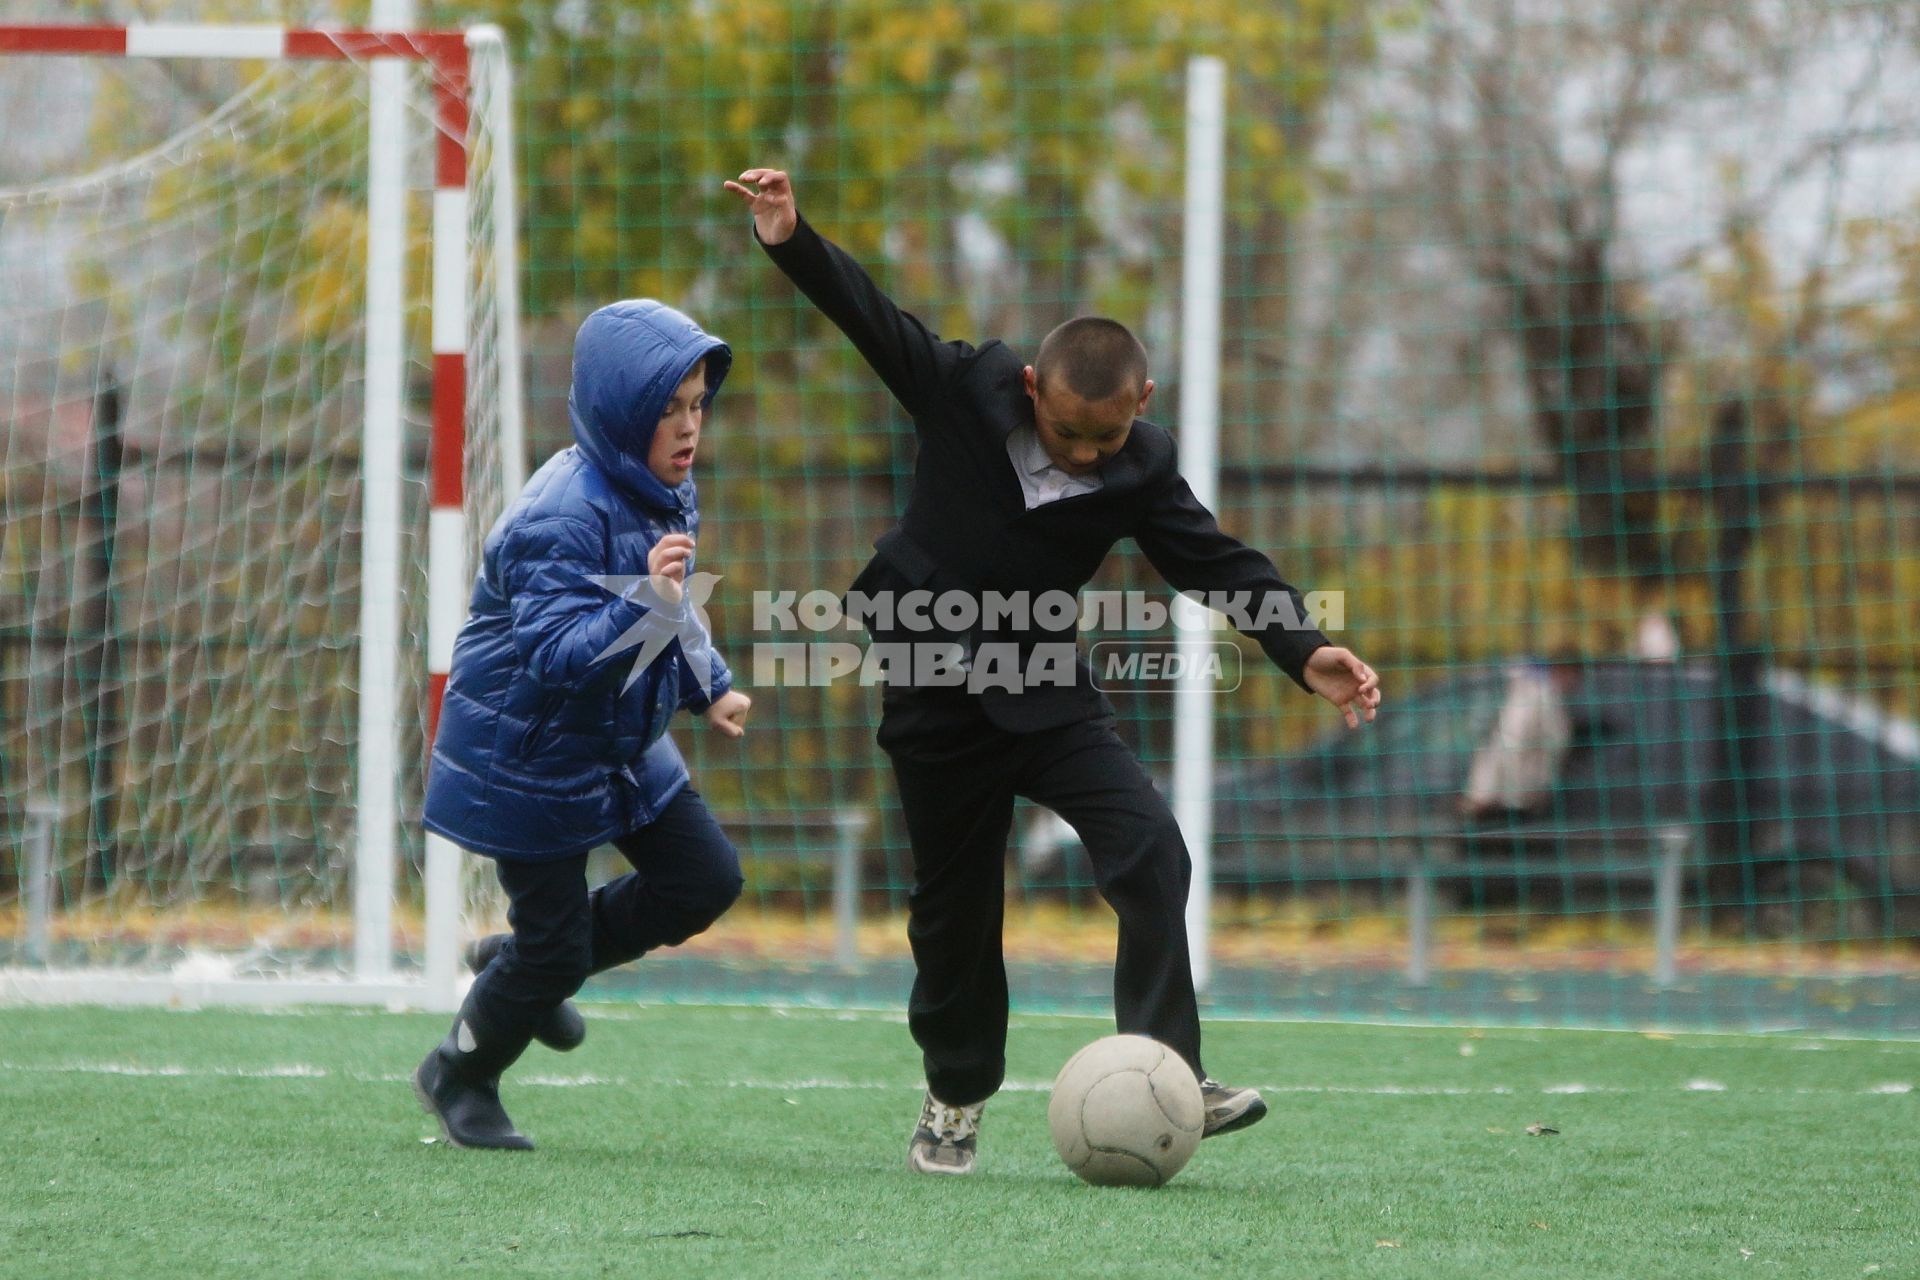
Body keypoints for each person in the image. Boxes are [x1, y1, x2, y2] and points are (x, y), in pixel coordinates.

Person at [725, 168, 1381, 1176]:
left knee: (1150, 843)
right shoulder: (962, 386)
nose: (1081, 453)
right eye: (1066, 430)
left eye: (1104, 436)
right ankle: (955, 1093)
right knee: (953, 914)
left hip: (1044, 693)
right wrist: (790, 236)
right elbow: (870, 317)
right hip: (935, 688)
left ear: (1142, 405)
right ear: (1033, 388)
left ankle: (1169, 1064)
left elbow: (1215, 559)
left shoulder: (1144, 462)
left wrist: (1303, 645)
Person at [412, 300, 753, 1150]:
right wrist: (658, 601)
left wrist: (709, 684)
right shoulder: (558, 516)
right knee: (555, 952)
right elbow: (558, 658)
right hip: (527, 755)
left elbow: (669, 608)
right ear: (618, 411)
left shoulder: (666, 489)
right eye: (667, 408)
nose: (687, 427)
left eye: (698, 404)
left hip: (621, 740)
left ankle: (525, 964)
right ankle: (459, 1071)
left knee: (704, 880)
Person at [1459, 656, 1581, 821]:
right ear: (1564, 671)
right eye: (1576, 676)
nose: (1577, 683)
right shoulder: (1534, 696)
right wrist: (1482, 793)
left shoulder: (1550, 698)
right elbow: (1509, 744)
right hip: (1508, 804)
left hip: (1526, 802)